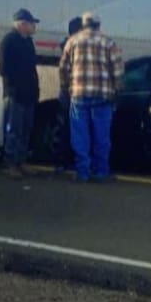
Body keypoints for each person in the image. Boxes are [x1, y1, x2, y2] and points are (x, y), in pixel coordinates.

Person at [58, 11, 123, 182]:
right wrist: (116, 90)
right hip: (102, 96)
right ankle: (101, 172)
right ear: (98, 25)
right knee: (101, 135)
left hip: (78, 94)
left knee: (80, 135)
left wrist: (66, 87)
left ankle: (82, 172)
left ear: (83, 25)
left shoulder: (72, 41)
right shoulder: (108, 42)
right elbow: (118, 70)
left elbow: (63, 68)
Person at [0, 8, 40, 178]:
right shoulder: (9, 41)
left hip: (29, 94)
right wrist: (13, 87)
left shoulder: (28, 42)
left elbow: (32, 68)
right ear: (22, 24)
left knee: (25, 129)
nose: (34, 27)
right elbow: (4, 68)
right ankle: (10, 163)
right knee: (13, 130)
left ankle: (22, 161)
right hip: (15, 94)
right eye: (32, 24)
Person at [54, 16, 84, 173]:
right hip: (71, 96)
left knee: (67, 129)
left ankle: (63, 162)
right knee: (69, 130)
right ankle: (63, 162)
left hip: (69, 95)